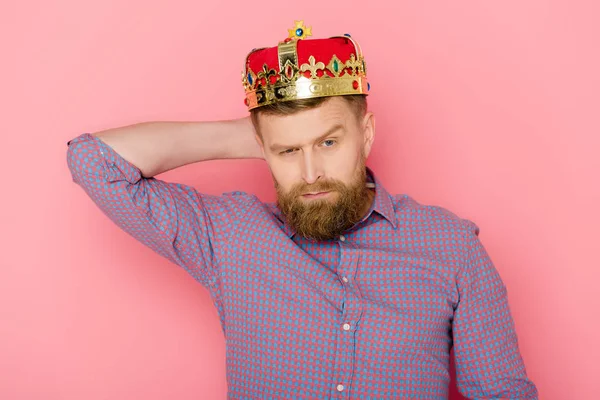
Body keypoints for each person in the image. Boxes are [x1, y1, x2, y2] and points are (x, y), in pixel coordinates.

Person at [66, 21, 538, 399]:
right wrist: (251, 136)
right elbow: (93, 161)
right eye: (288, 152)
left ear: (366, 134)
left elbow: (502, 393)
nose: (311, 172)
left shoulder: (450, 245)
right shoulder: (231, 236)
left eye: (329, 142)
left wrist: (285, 139)